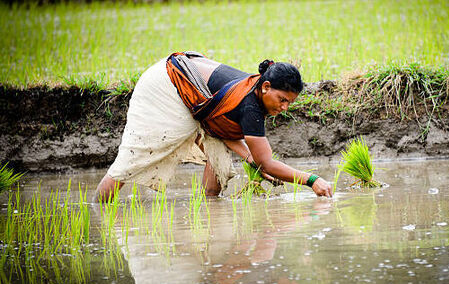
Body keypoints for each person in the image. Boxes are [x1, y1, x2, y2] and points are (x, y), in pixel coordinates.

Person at [95, 51, 333, 200]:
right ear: (266, 86)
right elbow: (266, 162)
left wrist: (251, 159)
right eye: (282, 100)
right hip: (166, 86)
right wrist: (312, 180)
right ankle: (100, 211)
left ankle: (210, 208)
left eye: (289, 103)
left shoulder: (255, 91)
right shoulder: (251, 107)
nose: (284, 108)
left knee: (218, 160)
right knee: (131, 161)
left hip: (190, 87)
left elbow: (219, 124)